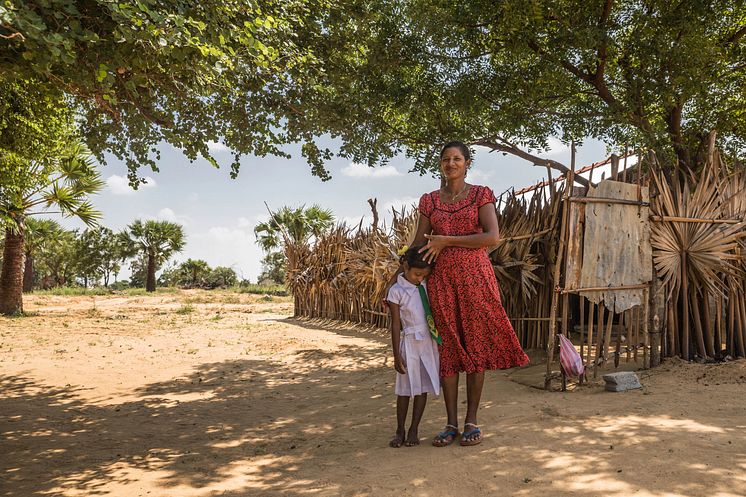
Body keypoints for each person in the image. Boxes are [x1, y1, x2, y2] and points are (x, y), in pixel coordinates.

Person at [415, 141, 530, 447]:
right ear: (440, 164)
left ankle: (472, 421)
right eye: (445, 159)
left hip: (476, 280)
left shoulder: (481, 194)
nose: (451, 163)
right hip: (441, 282)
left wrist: (447, 241)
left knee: (476, 347)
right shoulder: (429, 201)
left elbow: (492, 236)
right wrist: (399, 280)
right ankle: (450, 423)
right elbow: (418, 245)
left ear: (467, 163)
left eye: (457, 159)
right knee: (449, 350)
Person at [386, 245, 440, 448]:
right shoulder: (396, 291)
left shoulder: (426, 285)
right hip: (408, 342)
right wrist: (395, 355)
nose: (420, 278)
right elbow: (395, 324)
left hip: (428, 342)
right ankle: (399, 429)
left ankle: (414, 429)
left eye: (424, 275)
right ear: (405, 267)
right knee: (404, 390)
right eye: (417, 274)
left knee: (422, 387)